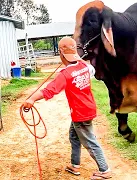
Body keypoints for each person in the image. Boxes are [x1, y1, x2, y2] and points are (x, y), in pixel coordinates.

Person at [22, 36, 112, 179]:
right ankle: (74, 165)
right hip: (87, 109)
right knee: (74, 136)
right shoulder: (84, 67)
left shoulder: (65, 75)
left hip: (80, 114)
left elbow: (49, 91)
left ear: (61, 54)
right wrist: (74, 59)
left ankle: (104, 170)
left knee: (89, 141)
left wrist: (31, 99)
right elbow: (90, 68)